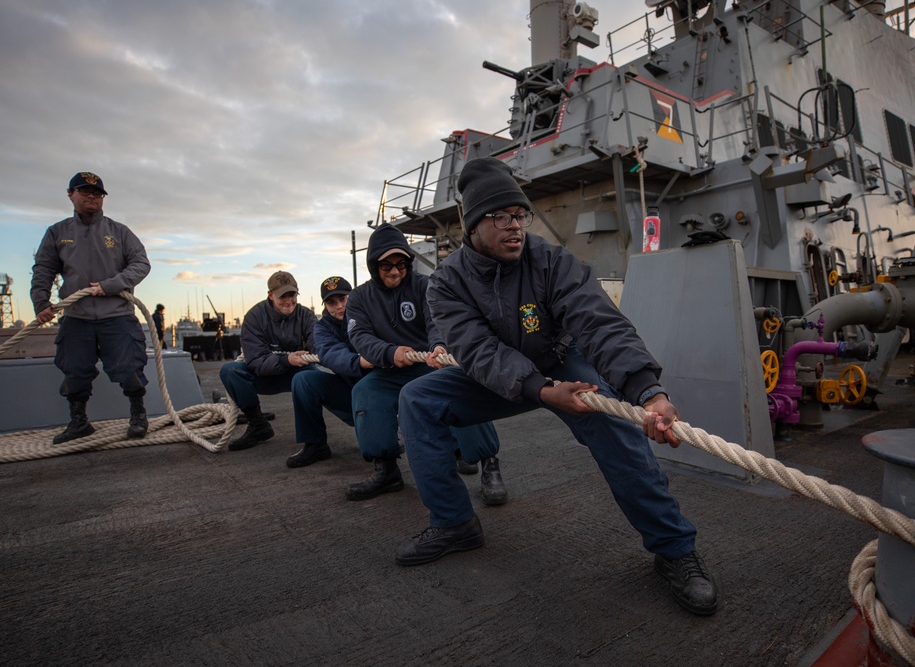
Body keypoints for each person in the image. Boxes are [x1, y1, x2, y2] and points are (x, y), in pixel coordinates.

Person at [394, 157, 718, 617]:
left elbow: (598, 321)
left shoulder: (549, 261)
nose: (515, 227)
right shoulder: (447, 283)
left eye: (520, 215)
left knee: (617, 434)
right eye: (500, 216)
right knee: (416, 399)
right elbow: (477, 350)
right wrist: (541, 390)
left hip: (564, 358)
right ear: (472, 226)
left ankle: (674, 549)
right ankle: (454, 523)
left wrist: (649, 392)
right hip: (508, 375)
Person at [344, 224, 506, 503]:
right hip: (391, 368)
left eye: (401, 263)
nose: (394, 271)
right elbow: (360, 336)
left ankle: (488, 464)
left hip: (429, 365)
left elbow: (437, 321)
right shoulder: (359, 298)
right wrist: (390, 352)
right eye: (386, 265)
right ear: (374, 266)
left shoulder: (425, 285)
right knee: (365, 393)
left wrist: (438, 347)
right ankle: (386, 469)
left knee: (463, 390)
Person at [30, 171, 152, 444]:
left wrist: (111, 285)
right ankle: (79, 422)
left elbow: (141, 264)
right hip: (76, 316)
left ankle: (138, 416)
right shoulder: (57, 233)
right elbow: (43, 269)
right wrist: (41, 302)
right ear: (71, 195)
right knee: (74, 370)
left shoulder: (119, 232)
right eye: (84, 191)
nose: (91, 197)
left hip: (117, 315)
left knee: (130, 368)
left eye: (97, 193)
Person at [220, 270, 317, 451]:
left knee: (317, 379)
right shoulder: (254, 317)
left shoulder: (306, 316)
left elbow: (318, 348)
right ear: (270, 295)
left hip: (298, 373)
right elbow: (256, 361)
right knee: (230, 371)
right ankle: (258, 424)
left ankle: (315, 440)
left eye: (292, 294)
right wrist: (287, 359)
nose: (289, 301)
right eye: (283, 296)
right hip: (265, 374)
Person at [287, 276, 372, 468]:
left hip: (380, 390)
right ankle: (315, 444)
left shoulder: (369, 314)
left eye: (343, 299)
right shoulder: (322, 327)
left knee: (375, 449)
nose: (339, 306)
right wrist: (360, 361)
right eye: (332, 302)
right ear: (325, 305)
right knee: (303, 380)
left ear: (353, 297)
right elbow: (330, 354)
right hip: (351, 388)